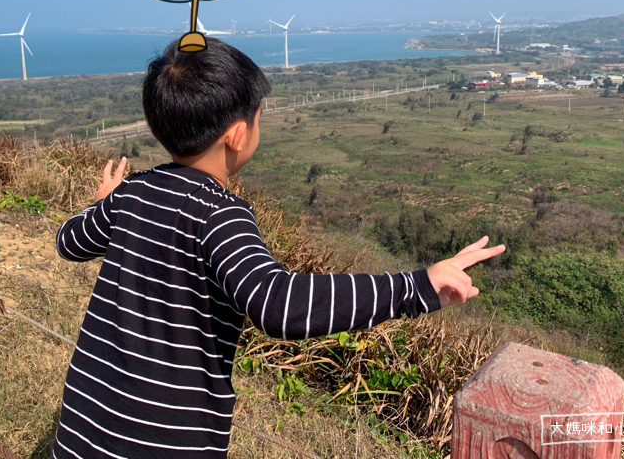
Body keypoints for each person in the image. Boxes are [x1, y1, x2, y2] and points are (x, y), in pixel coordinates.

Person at [52, 37, 504, 459]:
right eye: (258, 115)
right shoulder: (219, 214)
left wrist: (104, 202)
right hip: (166, 440)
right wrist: (416, 285)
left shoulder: (131, 194)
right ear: (237, 134)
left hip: (82, 427)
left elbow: (69, 242)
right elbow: (278, 304)